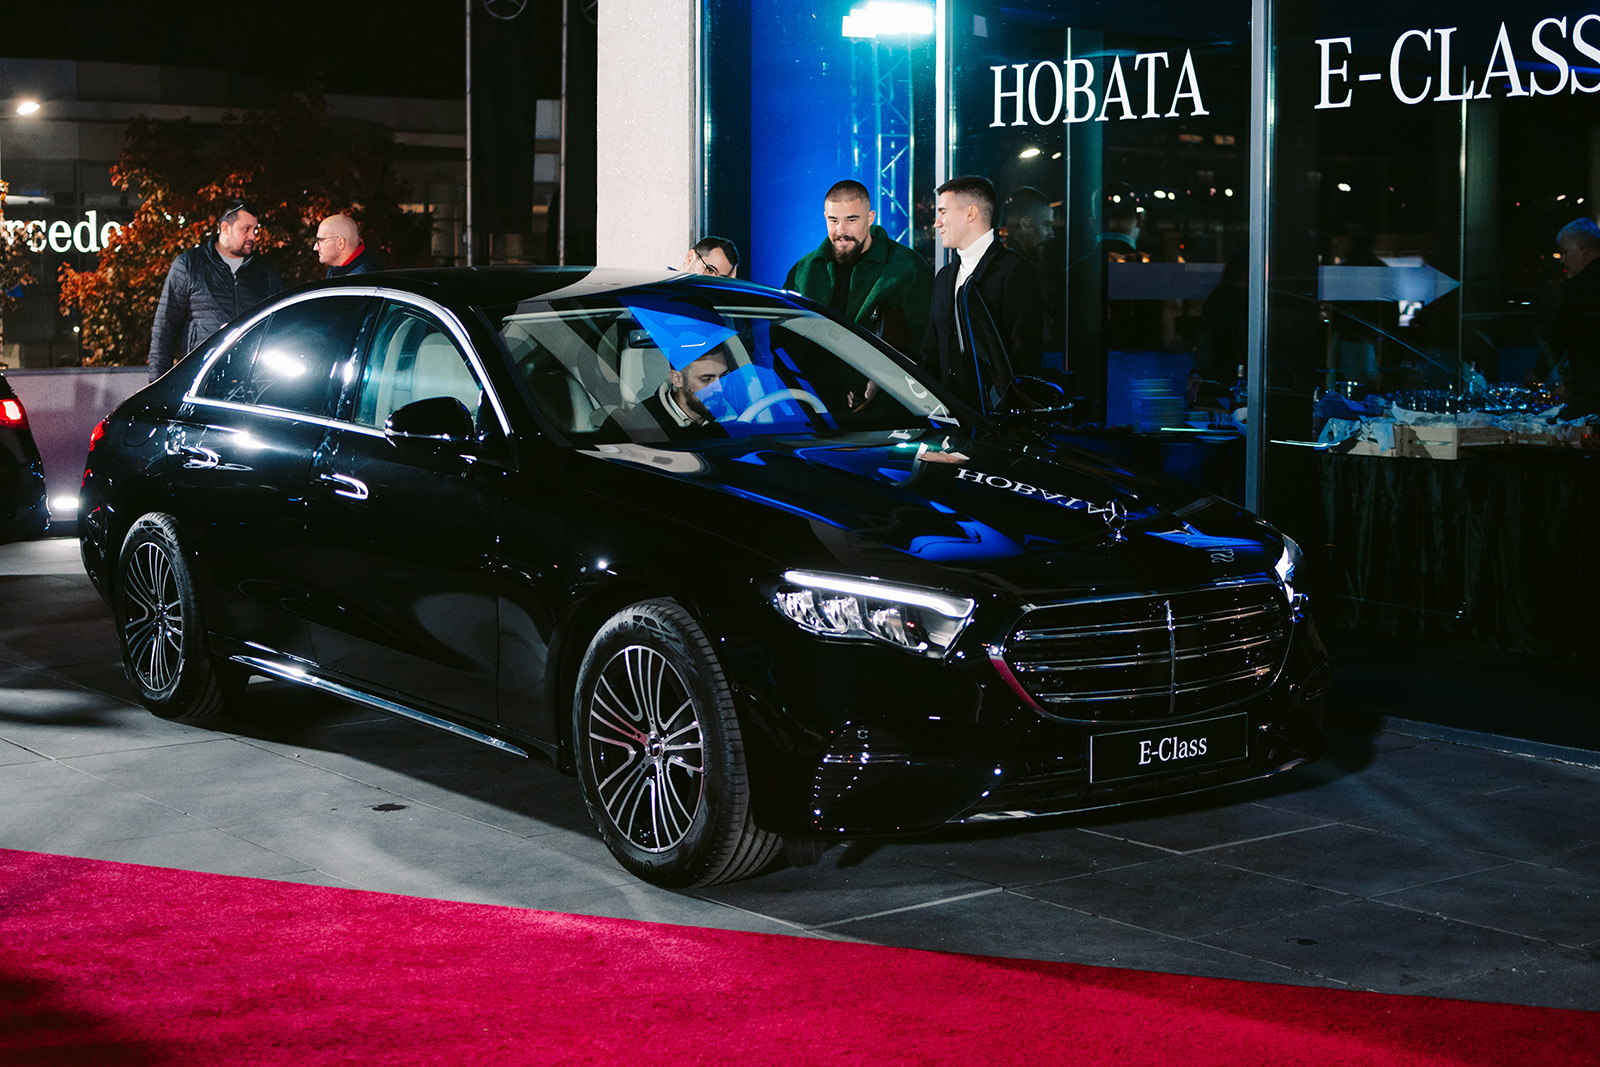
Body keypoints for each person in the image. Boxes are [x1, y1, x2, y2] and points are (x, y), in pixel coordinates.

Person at [919, 175, 1044, 410]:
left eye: (943, 212)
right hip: (948, 418)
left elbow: (1025, 358)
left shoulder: (1015, 272)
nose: (937, 223)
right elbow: (931, 352)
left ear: (970, 213)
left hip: (997, 421)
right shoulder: (944, 276)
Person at [784, 179, 933, 357]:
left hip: (882, 375)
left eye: (851, 220)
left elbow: (925, 342)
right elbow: (782, 334)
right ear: (825, 217)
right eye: (833, 220)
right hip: (807, 376)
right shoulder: (804, 269)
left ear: (870, 218)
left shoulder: (908, 267)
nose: (841, 230)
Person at [148, 199, 284, 380]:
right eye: (246, 229)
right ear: (226, 228)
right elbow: (165, 330)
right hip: (201, 378)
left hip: (250, 381)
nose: (252, 236)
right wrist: (157, 383)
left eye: (255, 229)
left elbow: (278, 326)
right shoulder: (189, 265)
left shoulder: (264, 271)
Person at [1550, 217, 1600, 418]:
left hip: (1591, 388)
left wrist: (1539, 372)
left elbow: (1562, 330)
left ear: (1581, 248)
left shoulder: (1581, 285)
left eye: (1565, 251)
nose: (1562, 259)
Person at [641, 348, 731, 437]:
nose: (720, 388)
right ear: (677, 379)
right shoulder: (644, 423)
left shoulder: (735, 411)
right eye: (706, 379)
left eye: (724, 376)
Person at [315, 214, 381, 278]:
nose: (315, 248)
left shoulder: (361, 278)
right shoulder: (336, 268)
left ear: (340, 243)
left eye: (321, 241)